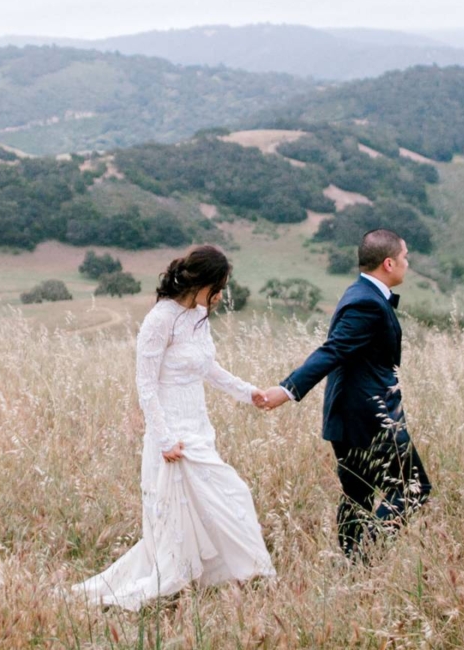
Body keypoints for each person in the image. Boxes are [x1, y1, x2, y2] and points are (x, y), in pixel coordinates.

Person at [71, 245, 274, 609]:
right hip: (172, 433)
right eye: (220, 286)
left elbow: (207, 367)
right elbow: (146, 385)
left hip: (199, 425)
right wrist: (164, 439)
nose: (222, 295)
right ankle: (183, 577)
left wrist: (248, 393)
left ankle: (231, 575)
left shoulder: (198, 316)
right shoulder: (160, 319)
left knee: (216, 502)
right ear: (203, 283)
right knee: (224, 497)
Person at [258, 229, 431, 560]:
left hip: (349, 416)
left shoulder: (360, 293)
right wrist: (287, 389)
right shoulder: (366, 302)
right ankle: (367, 550)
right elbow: (333, 350)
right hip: (370, 418)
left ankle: (354, 565)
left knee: (358, 496)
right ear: (389, 262)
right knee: (413, 489)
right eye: (406, 257)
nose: (408, 263)